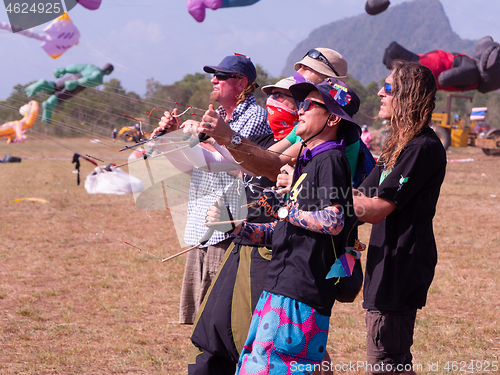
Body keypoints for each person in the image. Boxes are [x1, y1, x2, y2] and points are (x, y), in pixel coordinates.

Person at [205, 79, 360, 374]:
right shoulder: (311, 161)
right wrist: (236, 227)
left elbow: (334, 221)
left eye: (310, 105)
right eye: (300, 104)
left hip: (300, 291)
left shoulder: (331, 159)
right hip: (281, 286)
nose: (300, 111)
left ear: (333, 118)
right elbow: (284, 230)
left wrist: (284, 209)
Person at [151, 53, 270, 325]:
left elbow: (237, 165)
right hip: (200, 226)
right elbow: (190, 167)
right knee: (202, 324)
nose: (214, 80)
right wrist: (169, 140)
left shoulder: (255, 116)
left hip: (227, 228)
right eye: (213, 75)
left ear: (241, 83)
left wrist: (202, 140)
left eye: (222, 76)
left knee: (221, 320)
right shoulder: (215, 117)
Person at [353, 61, 446, 375]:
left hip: (401, 266)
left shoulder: (423, 148)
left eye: (388, 88)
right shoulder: (397, 146)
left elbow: (376, 209)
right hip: (385, 262)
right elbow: (361, 196)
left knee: (387, 362)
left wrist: (326, 198)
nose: (380, 92)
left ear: (408, 96)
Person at [25, 63, 114, 123]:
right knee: (55, 100)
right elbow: (90, 79)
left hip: (70, 78)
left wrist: (65, 70)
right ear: (108, 72)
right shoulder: (99, 76)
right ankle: (47, 114)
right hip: (75, 85)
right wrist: (77, 82)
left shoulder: (91, 66)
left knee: (54, 87)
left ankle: (44, 84)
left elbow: (76, 67)